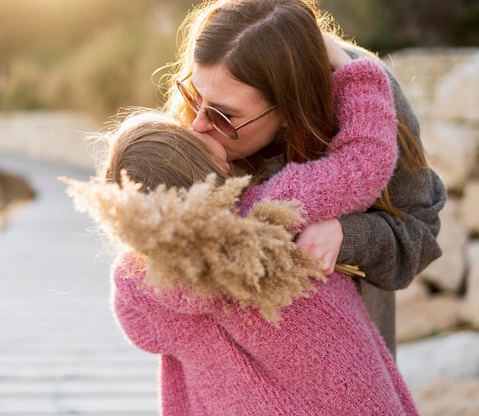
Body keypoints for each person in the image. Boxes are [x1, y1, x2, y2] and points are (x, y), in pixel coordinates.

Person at [65, 50, 419, 413]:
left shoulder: (143, 282)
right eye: (187, 135)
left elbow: (142, 328)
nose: (198, 124)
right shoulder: (268, 214)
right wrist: (351, 68)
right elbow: (363, 161)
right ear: (204, 163)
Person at [162, 0, 446, 357]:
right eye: (194, 93)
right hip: (225, 368)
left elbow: (421, 235)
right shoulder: (207, 99)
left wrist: (346, 235)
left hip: (343, 366)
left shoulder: (371, 98)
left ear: (289, 109)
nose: (197, 124)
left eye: (224, 114)